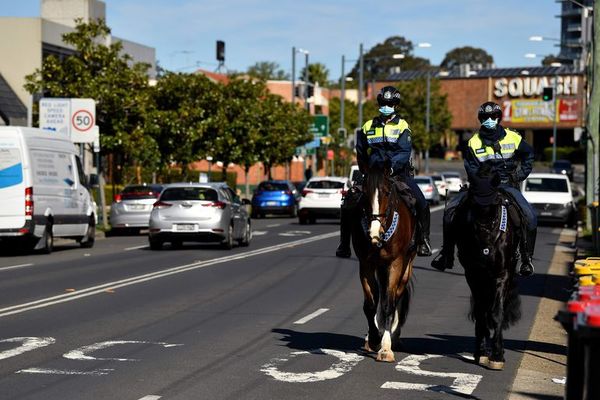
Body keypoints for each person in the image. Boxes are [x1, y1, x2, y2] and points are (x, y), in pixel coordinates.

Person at [431, 101, 537, 276]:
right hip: (481, 187)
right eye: (485, 117)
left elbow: (528, 156)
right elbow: (471, 168)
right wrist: (481, 183)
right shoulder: (473, 142)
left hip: (507, 185)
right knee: (450, 211)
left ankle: (526, 259)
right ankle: (447, 255)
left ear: (498, 118)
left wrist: (518, 176)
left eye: (493, 116)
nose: (489, 120)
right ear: (481, 119)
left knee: (530, 217)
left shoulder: (513, 137)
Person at [336, 85, 432, 258]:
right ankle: (344, 245)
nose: (386, 106)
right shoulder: (367, 126)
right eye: (383, 102)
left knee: (421, 202)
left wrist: (392, 168)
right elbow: (360, 151)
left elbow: (404, 152)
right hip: (372, 175)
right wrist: (365, 170)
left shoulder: (403, 126)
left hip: (397, 174)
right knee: (349, 201)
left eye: (390, 103)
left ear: (396, 105)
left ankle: (423, 240)